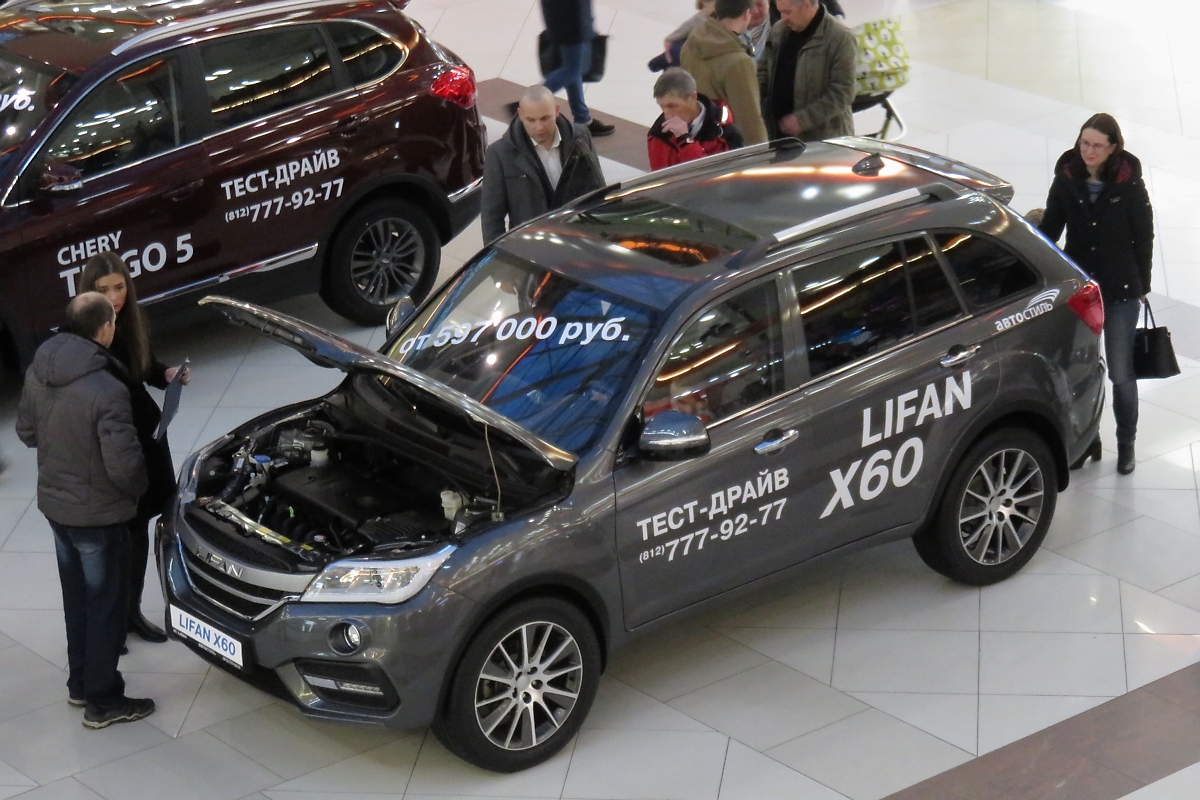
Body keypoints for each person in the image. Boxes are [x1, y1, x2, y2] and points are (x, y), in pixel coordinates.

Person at [16, 292, 155, 729]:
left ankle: (79, 685)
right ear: (106, 328)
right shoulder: (107, 389)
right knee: (106, 607)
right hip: (99, 517)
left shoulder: (38, 370)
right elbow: (125, 467)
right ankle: (103, 700)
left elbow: (25, 432)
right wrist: (138, 491)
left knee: (77, 601)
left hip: (57, 509)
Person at [79, 252, 188, 645]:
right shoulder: (82, 333)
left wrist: (166, 373)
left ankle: (130, 613)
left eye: (120, 287)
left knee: (139, 530)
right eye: (104, 289)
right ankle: (109, 623)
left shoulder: (129, 321)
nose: (114, 297)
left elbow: (144, 367)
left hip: (146, 441)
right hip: (114, 448)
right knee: (112, 540)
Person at [1039, 113, 1154, 475]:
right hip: (1082, 289)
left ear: (1113, 148)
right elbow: (1050, 229)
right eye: (1084, 143)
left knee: (1120, 372)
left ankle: (1126, 442)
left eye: (1097, 146)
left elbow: (1144, 235)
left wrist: (1143, 285)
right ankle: (1088, 439)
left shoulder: (1128, 184)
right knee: (1079, 371)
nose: (1088, 151)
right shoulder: (1067, 177)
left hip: (1121, 290)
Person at [481, 85, 606, 242]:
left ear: (556, 111)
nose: (539, 127)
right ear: (520, 114)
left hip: (578, 240)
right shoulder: (500, 154)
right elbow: (492, 218)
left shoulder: (580, 137)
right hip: (532, 247)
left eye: (545, 118)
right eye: (531, 120)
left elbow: (598, 190)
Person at [758, 0, 857, 141]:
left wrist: (803, 120)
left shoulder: (840, 38)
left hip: (823, 141)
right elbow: (763, 71)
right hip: (778, 137)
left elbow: (843, 92)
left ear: (806, 5)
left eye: (787, 12)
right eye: (780, 12)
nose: (783, 18)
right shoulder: (778, 31)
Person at [681, 0, 769, 146]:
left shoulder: (692, 43)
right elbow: (749, 119)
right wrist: (760, 151)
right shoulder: (739, 62)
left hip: (694, 139)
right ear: (746, 13)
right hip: (725, 144)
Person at [539, 0, 614, 137]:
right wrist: (587, 27)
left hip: (562, 21)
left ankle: (582, 118)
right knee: (573, 69)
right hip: (572, 24)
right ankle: (529, 104)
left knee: (573, 68)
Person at [648, 68, 743, 170]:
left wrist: (685, 141)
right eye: (662, 107)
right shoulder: (657, 135)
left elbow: (712, 175)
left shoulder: (724, 131)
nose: (667, 115)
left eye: (672, 106)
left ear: (693, 97)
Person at [649, 0, 715, 72]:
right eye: (716, 6)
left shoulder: (713, 21)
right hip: (681, 60)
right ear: (704, 2)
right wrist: (669, 57)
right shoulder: (697, 20)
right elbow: (670, 39)